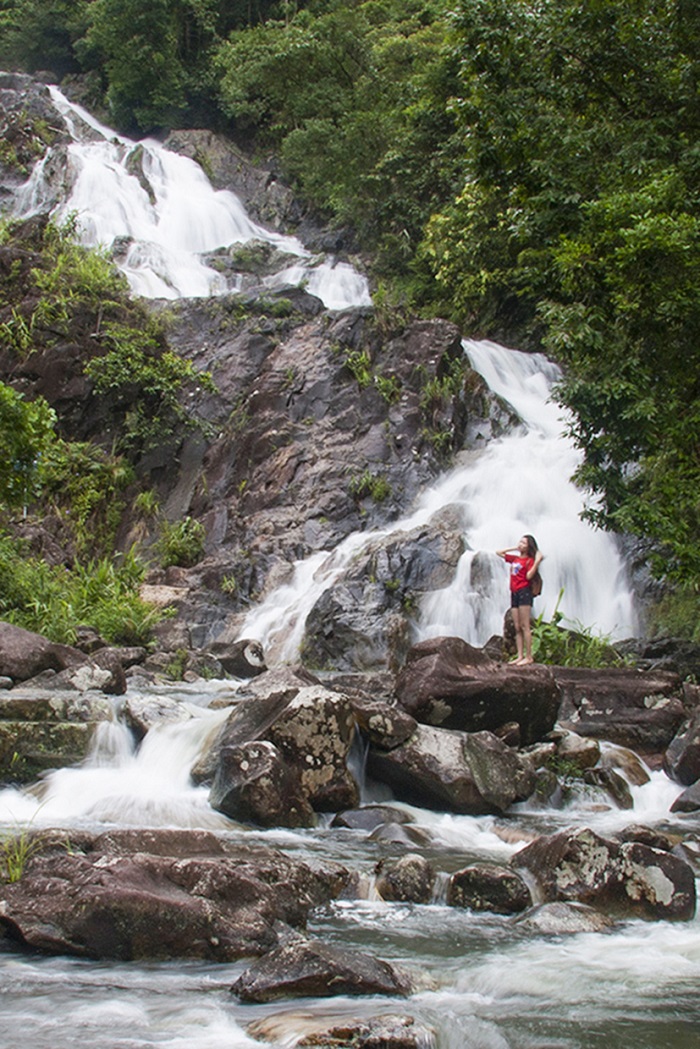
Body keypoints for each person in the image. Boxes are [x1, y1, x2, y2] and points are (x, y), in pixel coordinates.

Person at [496, 535, 543, 666]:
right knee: (517, 627)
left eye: (524, 543)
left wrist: (537, 561)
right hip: (514, 592)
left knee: (525, 626)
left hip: (524, 592)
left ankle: (529, 656)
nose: (520, 544)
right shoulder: (515, 559)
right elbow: (498, 552)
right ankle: (520, 655)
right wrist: (514, 548)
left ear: (529, 546)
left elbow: (528, 576)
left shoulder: (529, 561)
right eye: (520, 541)